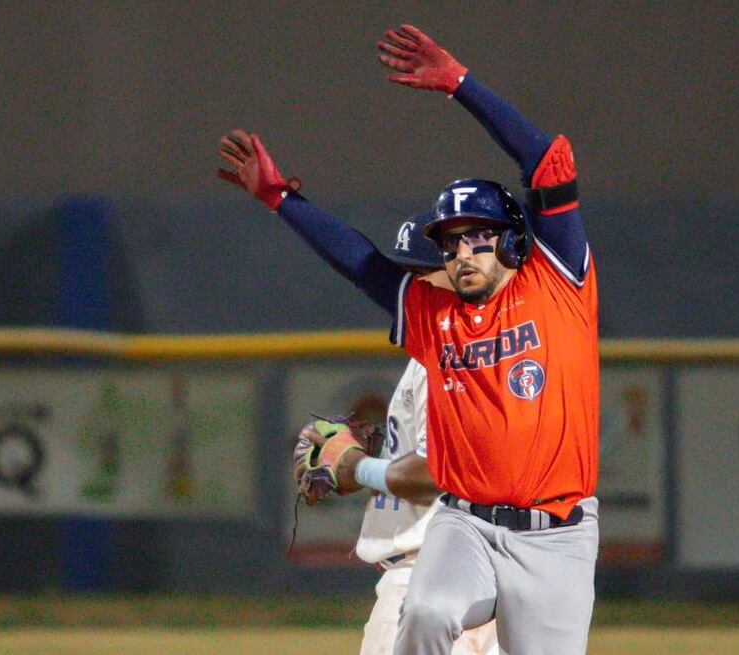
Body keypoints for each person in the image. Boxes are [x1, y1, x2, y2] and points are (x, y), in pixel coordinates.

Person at [217, 24, 598, 655]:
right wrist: (281, 200)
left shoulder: (559, 283)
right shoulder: (432, 314)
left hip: (556, 536)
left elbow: (549, 159)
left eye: (477, 235)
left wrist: (460, 85)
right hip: (465, 523)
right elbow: (362, 264)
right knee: (424, 613)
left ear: (512, 239)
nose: (462, 251)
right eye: (450, 242)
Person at [307, 212, 499, 655]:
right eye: (405, 275)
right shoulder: (464, 349)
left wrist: (357, 465)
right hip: (471, 578)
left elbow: (437, 472)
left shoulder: (451, 358)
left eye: (421, 273)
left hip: (427, 579)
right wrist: (388, 450)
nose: (410, 287)